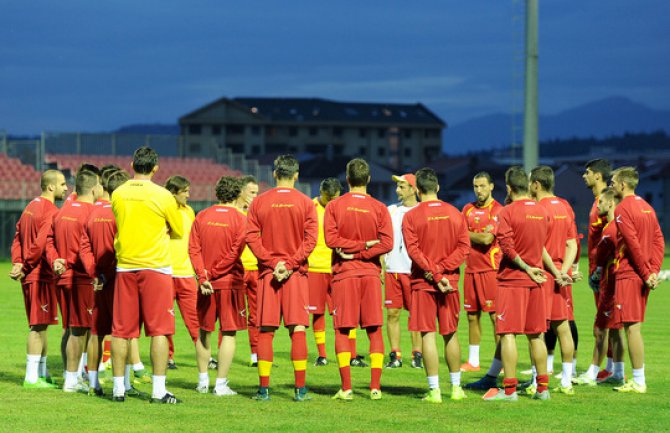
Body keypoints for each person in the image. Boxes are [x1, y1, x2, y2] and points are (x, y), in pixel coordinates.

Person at [110, 146, 184, 404]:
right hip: (156, 267)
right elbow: (177, 230)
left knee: (121, 331)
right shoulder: (164, 195)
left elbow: (118, 224)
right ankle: (158, 391)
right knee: (159, 331)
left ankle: (118, 389)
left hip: (126, 266)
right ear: (156, 168)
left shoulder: (118, 193)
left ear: (131, 164)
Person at [245, 155, 318, 402]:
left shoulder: (259, 202)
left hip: (268, 273)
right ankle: (300, 390)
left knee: (266, 330)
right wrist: (289, 264)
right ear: (296, 175)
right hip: (295, 274)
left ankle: (264, 390)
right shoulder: (306, 203)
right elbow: (311, 240)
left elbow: (251, 237)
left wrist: (272, 262)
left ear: (274, 174)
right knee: (297, 328)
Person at [324, 158, 393, 401]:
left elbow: (331, 240)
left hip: (345, 274)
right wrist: (364, 247)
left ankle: (346, 388)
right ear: (369, 179)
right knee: (374, 330)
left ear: (347, 177)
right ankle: (375, 387)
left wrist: (353, 252)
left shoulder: (334, 206)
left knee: (343, 330)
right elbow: (387, 244)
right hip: (371, 275)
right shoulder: (380, 208)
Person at [483, 166, 551, 401]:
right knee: (536, 335)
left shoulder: (507, 212)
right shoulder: (542, 211)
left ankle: (510, 390)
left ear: (509, 187)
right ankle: (543, 389)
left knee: (508, 333)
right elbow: (542, 245)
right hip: (537, 281)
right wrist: (543, 269)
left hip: (513, 280)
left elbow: (508, 249)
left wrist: (526, 267)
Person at [403, 168, 470, 403]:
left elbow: (413, 250)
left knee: (428, 335)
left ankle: (434, 391)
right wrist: (443, 272)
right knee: (450, 334)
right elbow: (464, 247)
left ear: (418, 190)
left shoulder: (411, 216)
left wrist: (433, 272)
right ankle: (456, 388)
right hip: (449, 281)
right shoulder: (455, 213)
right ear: (438, 188)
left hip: (425, 281)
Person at [10, 169, 68, 389]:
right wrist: (25, 265)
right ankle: (31, 377)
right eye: (62, 184)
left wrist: (17, 262)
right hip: (39, 274)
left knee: (43, 325)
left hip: (31, 273)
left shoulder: (30, 207)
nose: (66, 188)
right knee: (37, 326)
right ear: (51, 186)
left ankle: (42, 373)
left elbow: (17, 237)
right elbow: (41, 244)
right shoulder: (51, 210)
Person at [46, 168, 103, 393]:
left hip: (61, 277)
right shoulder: (91, 214)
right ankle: (72, 379)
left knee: (70, 329)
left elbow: (49, 241)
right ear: (94, 187)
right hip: (81, 278)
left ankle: (72, 375)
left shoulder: (63, 211)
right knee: (81, 330)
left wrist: (56, 261)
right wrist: (70, 263)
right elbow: (84, 248)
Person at [190, 176, 247, 396]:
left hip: (205, 284)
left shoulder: (202, 215)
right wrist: (212, 274)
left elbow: (193, 249)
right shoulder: (241, 220)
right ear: (237, 194)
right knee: (229, 333)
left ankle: (202, 381)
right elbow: (234, 254)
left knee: (204, 332)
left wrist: (203, 276)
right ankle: (220, 384)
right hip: (228, 283)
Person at [609, 166, 664, 393]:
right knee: (634, 327)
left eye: (613, 181)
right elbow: (659, 241)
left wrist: (645, 272)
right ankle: (636, 378)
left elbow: (632, 244)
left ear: (623, 184)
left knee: (631, 328)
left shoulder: (622, 209)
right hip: (643, 274)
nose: (611, 184)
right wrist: (653, 271)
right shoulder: (647, 208)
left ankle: (639, 381)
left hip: (630, 274)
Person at [529, 166, 578, 395]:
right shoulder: (565, 206)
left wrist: (555, 273)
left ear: (536, 184)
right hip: (561, 274)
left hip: (543, 274)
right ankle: (567, 381)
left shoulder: (537, 208)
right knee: (563, 327)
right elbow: (572, 243)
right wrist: (564, 271)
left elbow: (538, 246)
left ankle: (535, 381)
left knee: (537, 331)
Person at [573, 188, 626, 386]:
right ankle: (618, 372)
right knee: (614, 330)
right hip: (613, 284)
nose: (598, 206)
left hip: (611, 287)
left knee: (600, 329)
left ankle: (592, 372)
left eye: (601, 202)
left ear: (611, 203)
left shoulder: (612, 229)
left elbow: (601, 255)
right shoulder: (618, 226)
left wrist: (597, 270)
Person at [460, 172, 503, 372]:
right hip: (470, 270)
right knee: (471, 316)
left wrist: (467, 234)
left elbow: (487, 240)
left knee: (495, 317)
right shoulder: (467, 209)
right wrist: (474, 235)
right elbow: (458, 236)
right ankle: (474, 361)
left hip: (490, 270)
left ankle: (500, 362)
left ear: (491, 186)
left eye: (483, 186)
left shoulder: (498, 211)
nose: (479, 190)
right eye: (476, 186)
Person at [582, 158, 618, 381]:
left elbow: (612, 236)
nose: (583, 176)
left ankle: (602, 368)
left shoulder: (608, 202)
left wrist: (599, 268)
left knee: (604, 322)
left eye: (587, 173)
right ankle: (611, 367)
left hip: (604, 271)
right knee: (608, 321)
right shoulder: (597, 201)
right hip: (597, 268)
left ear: (598, 176)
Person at [383, 173, 422, 369]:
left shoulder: (422, 211)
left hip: (414, 271)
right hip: (393, 270)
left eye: (402, 187)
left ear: (414, 189)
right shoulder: (391, 211)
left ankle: (417, 354)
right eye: (397, 186)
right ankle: (395, 355)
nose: (398, 190)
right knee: (392, 314)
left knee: (415, 316)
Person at [165, 176, 200, 370]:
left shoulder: (189, 212)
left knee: (194, 318)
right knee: (166, 319)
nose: (188, 195)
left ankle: (203, 354)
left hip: (186, 273)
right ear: (173, 193)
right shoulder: (162, 211)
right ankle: (168, 357)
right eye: (185, 191)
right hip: (166, 273)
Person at [307, 177, 342, 366]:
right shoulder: (310, 208)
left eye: (335, 198)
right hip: (315, 268)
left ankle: (349, 355)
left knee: (343, 313)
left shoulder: (342, 208)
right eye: (329, 198)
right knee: (318, 313)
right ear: (322, 193)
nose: (332, 202)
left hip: (338, 268)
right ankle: (322, 355)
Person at [236, 175, 260, 367]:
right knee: (230, 314)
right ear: (241, 192)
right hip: (237, 269)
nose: (254, 196)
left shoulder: (258, 215)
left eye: (257, 193)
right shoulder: (233, 213)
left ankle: (256, 356)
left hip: (256, 269)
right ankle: (220, 356)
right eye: (252, 192)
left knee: (256, 314)